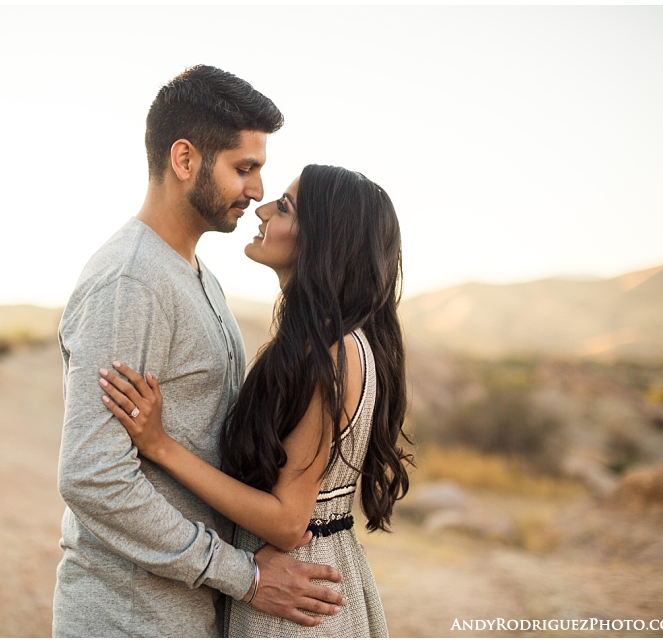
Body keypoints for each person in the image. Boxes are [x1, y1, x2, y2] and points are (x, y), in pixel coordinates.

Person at [53, 67, 347, 638]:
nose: (259, 190)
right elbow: (92, 476)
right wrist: (244, 576)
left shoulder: (198, 275)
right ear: (184, 160)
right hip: (130, 615)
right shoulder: (130, 282)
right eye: (245, 168)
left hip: (187, 610)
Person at [99, 164, 412, 637]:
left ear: (323, 240)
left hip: (294, 592)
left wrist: (160, 445)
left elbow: (287, 522)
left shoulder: (334, 353)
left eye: (284, 207)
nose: (261, 209)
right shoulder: (325, 343)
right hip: (307, 570)